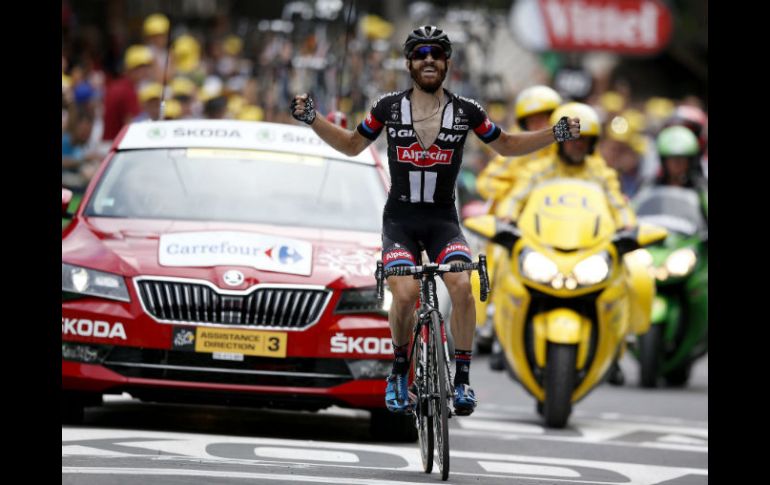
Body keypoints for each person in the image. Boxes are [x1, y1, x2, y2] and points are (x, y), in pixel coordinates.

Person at [291, 25, 580, 416]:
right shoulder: (388, 107)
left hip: (444, 221)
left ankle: (461, 380)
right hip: (400, 222)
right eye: (421, 53)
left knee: (462, 284)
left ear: (447, 63)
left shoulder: (467, 111)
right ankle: (398, 372)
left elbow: (508, 146)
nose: (429, 59)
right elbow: (350, 145)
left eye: (437, 54)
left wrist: (555, 133)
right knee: (406, 294)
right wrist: (312, 119)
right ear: (409, 63)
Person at [652, 125, 708, 221]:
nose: (677, 164)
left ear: (690, 161)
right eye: (672, 159)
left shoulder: (701, 190)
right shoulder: (651, 187)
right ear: (664, 161)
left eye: (682, 159)